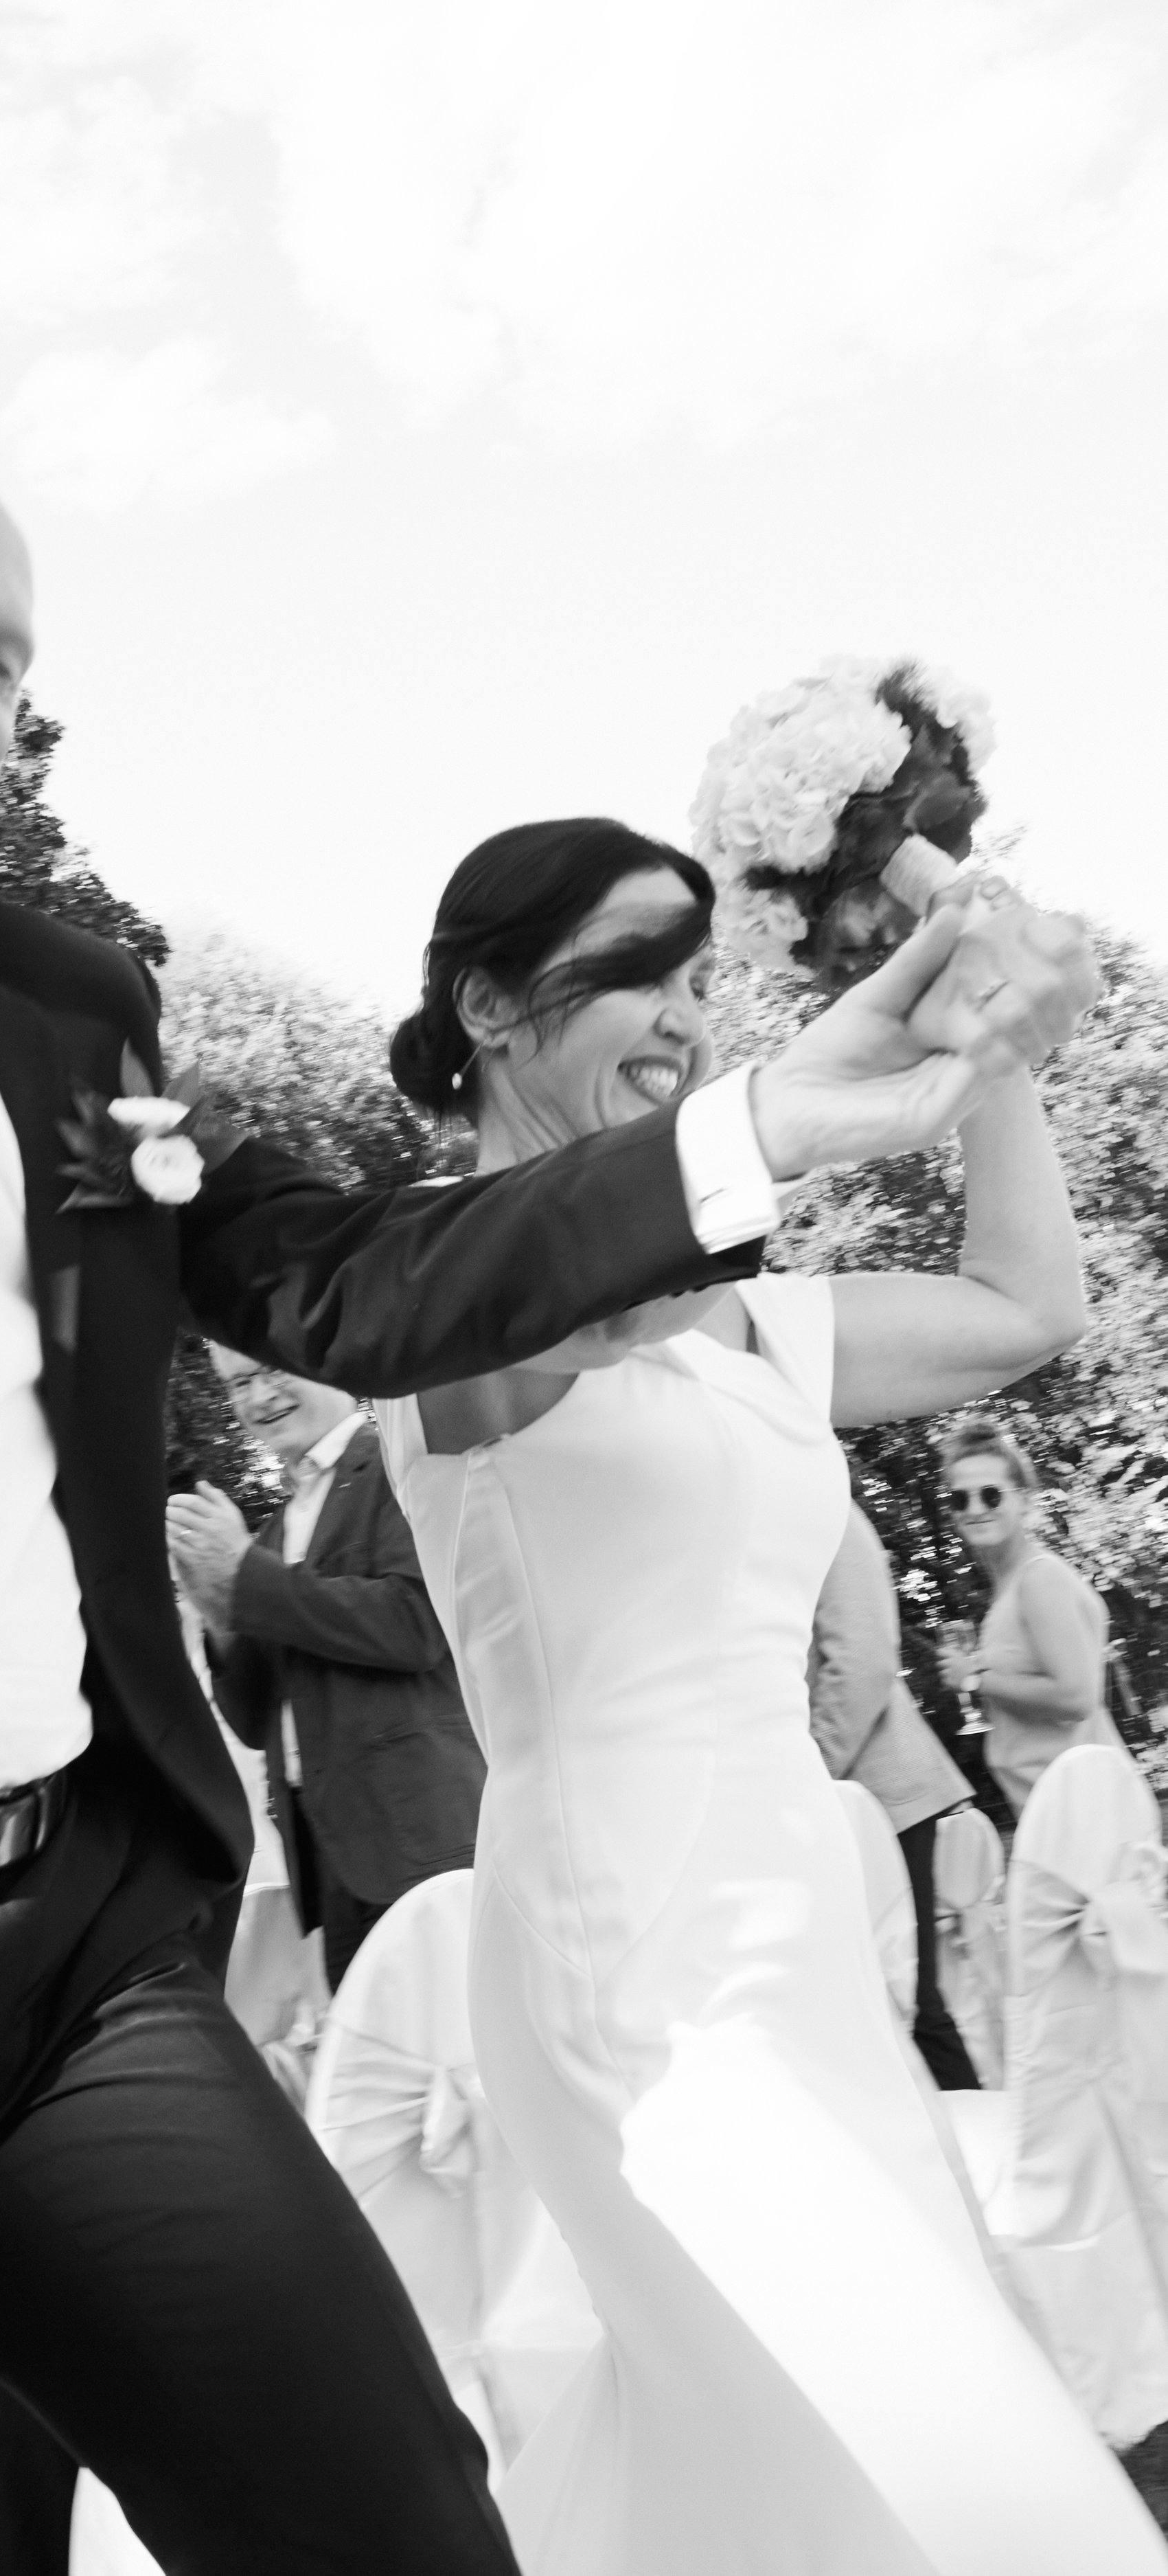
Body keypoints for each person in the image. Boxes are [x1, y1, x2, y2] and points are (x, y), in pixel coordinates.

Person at [0, 435, 1093, 2576]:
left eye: (11, 652)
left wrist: (773, 1114)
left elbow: (350, 1280)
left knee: (391, 2515)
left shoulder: (60, 1005)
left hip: (60, 1959)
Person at [371, 817, 1163, 2572]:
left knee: (771, 2474)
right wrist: (762, 1140)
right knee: (951, 2473)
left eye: (702, 977)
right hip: (626, 1946)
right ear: (492, 1003)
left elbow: (1023, 1301)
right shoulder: (429, 1279)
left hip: (797, 1934)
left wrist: (986, 1032)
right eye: (635, 972)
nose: (685, 1015)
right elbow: (523, 1324)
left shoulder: (754, 1326)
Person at [170, 1351, 484, 1989]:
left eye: (271, 1371)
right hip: (329, 1864)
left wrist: (247, 1580)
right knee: (375, 2081)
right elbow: (256, 1722)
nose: (259, 1398)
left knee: (463, 2064)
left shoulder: (402, 1468)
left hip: (422, 1843)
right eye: (239, 1385)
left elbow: (418, 1625)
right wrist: (223, 1619)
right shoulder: (275, 1530)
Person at [808, 1498, 981, 2090]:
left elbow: (865, 1659)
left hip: (886, 1797)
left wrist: (809, 1766)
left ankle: (983, 2161)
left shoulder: (827, 1513)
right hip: (831, 1803)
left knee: (912, 2005)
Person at [935, 1418, 1133, 1821]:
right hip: (1055, 1814)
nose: (974, 1509)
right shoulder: (1013, 1588)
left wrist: (975, 1679)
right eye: (960, 1499)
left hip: (1083, 1815)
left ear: (1024, 1499)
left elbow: (1077, 1698)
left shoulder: (1040, 1579)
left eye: (991, 1496)